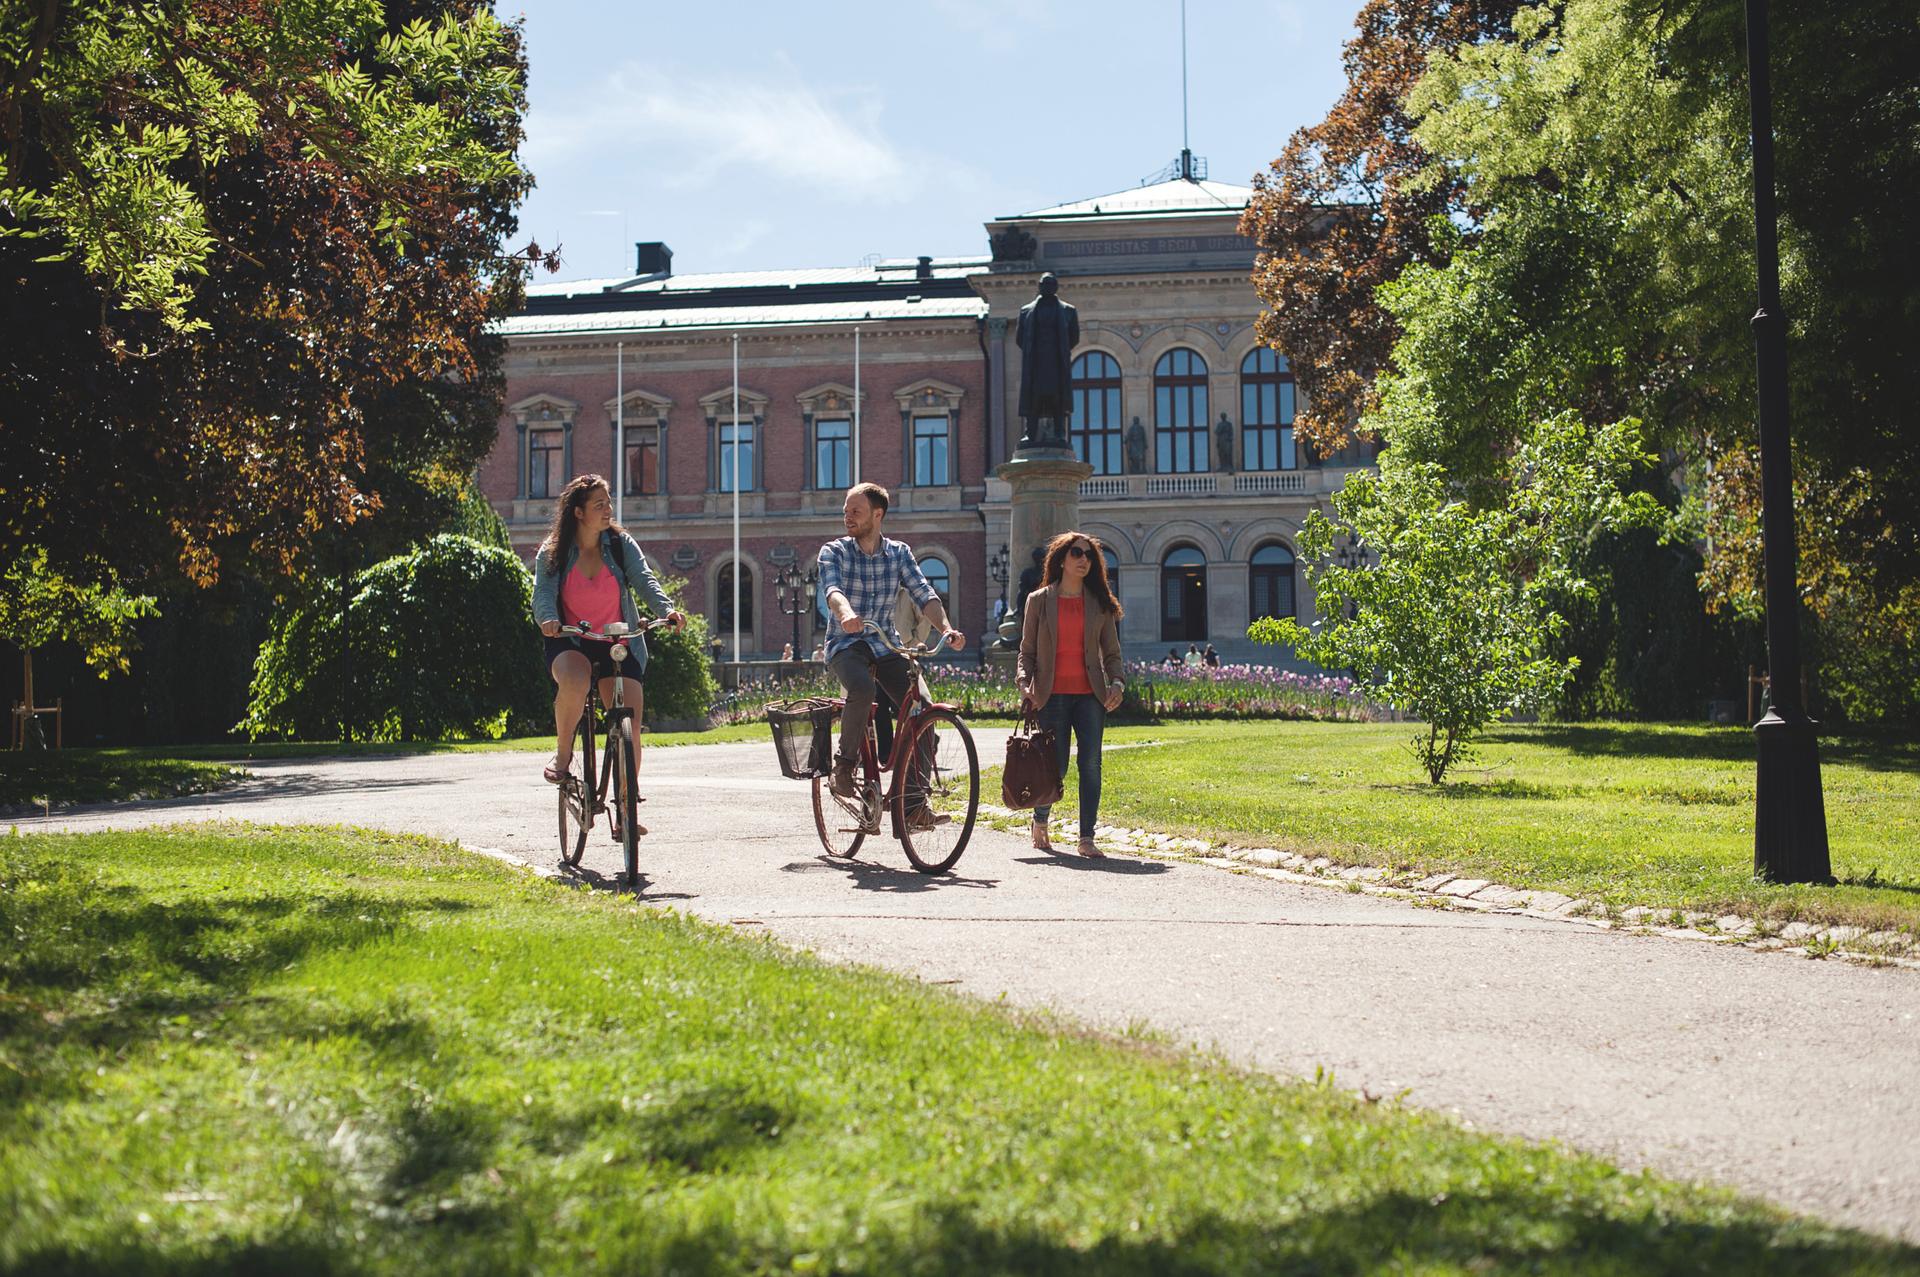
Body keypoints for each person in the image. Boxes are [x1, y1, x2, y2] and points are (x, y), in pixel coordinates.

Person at [531, 474, 686, 796]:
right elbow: (543, 594)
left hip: (618, 640)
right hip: (570, 639)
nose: (607, 509)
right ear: (578, 512)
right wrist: (548, 619)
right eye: (599, 504)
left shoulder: (619, 544)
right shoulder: (553, 551)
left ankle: (627, 805)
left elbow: (644, 579)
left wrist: (665, 610)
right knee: (575, 681)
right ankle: (563, 754)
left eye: (608, 503)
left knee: (629, 720)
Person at [817, 482, 964, 798]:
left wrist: (946, 629)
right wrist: (845, 615)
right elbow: (833, 591)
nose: (848, 517)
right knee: (862, 687)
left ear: (877, 514)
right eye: (846, 511)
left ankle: (912, 803)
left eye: (856, 511)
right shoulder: (834, 551)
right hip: (846, 644)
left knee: (922, 711)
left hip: (885, 644)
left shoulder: (899, 554)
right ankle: (843, 767)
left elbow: (924, 594)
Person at [1017, 531, 1125, 859]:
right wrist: (1025, 684)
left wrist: (1117, 682)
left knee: (1091, 764)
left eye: (1090, 555)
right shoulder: (1038, 600)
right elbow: (1027, 651)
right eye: (1077, 553)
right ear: (1062, 558)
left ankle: (1087, 838)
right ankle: (1040, 820)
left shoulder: (1100, 604)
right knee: (1056, 766)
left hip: (1090, 695)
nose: (1084, 560)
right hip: (1052, 696)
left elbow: (1111, 652)